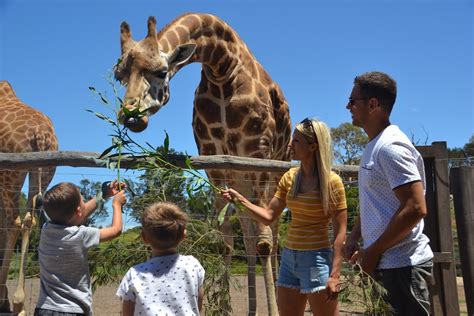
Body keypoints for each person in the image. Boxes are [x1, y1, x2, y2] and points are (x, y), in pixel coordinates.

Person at [222, 118, 347, 316]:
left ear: (313, 146)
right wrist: (240, 200)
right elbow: (268, 216)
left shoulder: (333, 182)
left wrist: (335, 274)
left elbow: (340, 233)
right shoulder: (290, 177)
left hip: (317, 261)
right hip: (289, 260)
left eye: (296, 141)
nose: (290, 144)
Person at [343, 71, 434, 315]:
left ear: (373, 104)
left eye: (353, 101)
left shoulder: (391, 147)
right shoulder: (374, 146)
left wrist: (372, 253)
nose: (347, 106)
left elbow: (415, 207)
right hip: (386, 266)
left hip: (402, 267)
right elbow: (375, 203)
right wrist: (354, 236)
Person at [35, 180, 127, 316]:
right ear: (78, 210)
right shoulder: (81, 235)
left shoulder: (46, 230)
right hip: (74, 310)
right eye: (83, 201)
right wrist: (117, 204)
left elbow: (79, 214)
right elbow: (116, 230)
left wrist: (104, 194)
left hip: (44, 308)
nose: (85, 203)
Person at [116, 201, 205, 316]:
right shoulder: (193, 265)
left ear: (144, 237)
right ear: (183, 235)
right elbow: (197, 306)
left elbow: (127, 313)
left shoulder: (134, 274)